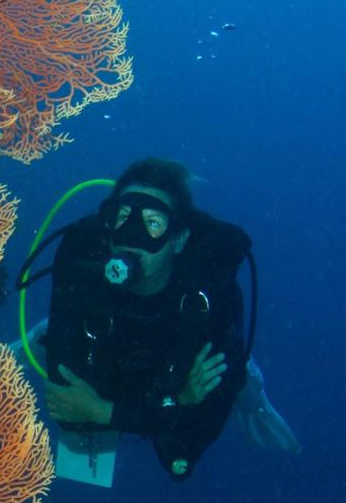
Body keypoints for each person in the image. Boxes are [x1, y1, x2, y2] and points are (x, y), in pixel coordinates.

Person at [42, 158, 253, 481]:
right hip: (125, 363)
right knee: (81, 431)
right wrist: (178, 401)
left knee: (180, 456)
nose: (132, 235)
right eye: (124, 218)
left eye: (153, 223)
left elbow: (203, 421)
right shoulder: (82, 269)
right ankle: (40, 334)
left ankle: (257, 394)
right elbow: (68, 409)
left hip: (176, 359)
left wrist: (104, 411)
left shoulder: (207, 297)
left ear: (178, 240)